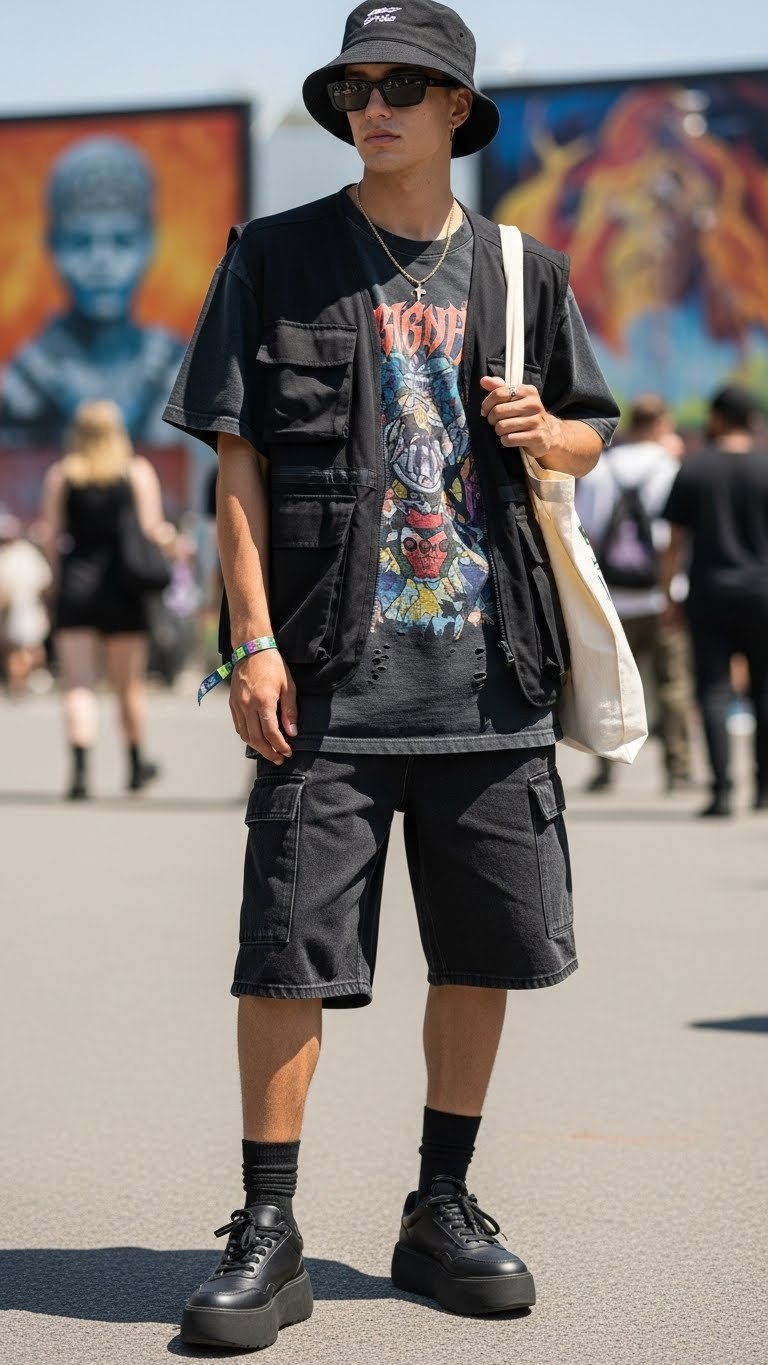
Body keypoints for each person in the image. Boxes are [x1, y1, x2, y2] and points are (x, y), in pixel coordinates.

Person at [164, 1, 619, 1351]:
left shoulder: (521, 269)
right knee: (285, 956)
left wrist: (556, 435)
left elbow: (593, 434)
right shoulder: (275, 256)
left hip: (494, 680)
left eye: (407, 85)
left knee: (481, 950)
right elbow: (234, 460)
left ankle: (443, 1207)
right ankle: (268, 1225)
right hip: (324, 672)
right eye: (359, 83)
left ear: (457, 112)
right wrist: (246, 641)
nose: (378, 103)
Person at [0, 136, 185, 450]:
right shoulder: (23, 384)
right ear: (54, 245)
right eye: (81, 242)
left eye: (121, 241)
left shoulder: (180, 369)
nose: (102, 263)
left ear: (148, 243)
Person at [40, 399, 167, 800]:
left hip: (77, 588)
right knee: (127, 685)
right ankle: (134, 766)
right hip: (124, 589)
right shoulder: (137, 472)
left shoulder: (63, 475)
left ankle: (79, 774)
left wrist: (55, 584)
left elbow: (50, 536)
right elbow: (151, 529)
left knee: (78, 683)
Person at [576, 395, 693, 793]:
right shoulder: (668, 467)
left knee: (610, 688)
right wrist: (670, 592)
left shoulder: (601, 468)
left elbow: (586, 528)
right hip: (663, 595)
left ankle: (605, 770)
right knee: (672, 685)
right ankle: (678, 771)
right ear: (662, 424)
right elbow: (670, 538)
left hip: (612, 597)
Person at [662, 385, 768, 817]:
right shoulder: (766, 466)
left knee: (713, 691)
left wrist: (668, 593)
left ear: (718, 418)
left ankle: (722, 791)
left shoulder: (695, 468)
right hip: (763, 594)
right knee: (764, 691)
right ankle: (763, 790)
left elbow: (674, 542)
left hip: (709, 593)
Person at [0, 511, 52, 694]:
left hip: (28, 607)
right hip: (13, 609)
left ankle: (22, 681)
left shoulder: (26, 553)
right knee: (16, 649)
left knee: (30, 648)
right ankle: (18, 683)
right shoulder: (10, 554)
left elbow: (44, 581)